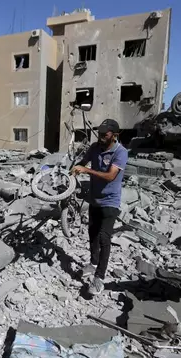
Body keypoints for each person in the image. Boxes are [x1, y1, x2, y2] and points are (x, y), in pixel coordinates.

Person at [71, 119, 128, 296]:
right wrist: (72, 170)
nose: (102, 136)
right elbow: (83, 161)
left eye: (106, 134)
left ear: (115, 135)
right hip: (94, 199)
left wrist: (87, 171)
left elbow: (111, 176)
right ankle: (93, 263)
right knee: (92, 234)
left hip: (110, 201)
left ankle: (99, 278)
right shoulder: (95, 147)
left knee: (104, 238)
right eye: (100, 133)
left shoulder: (120, 152)